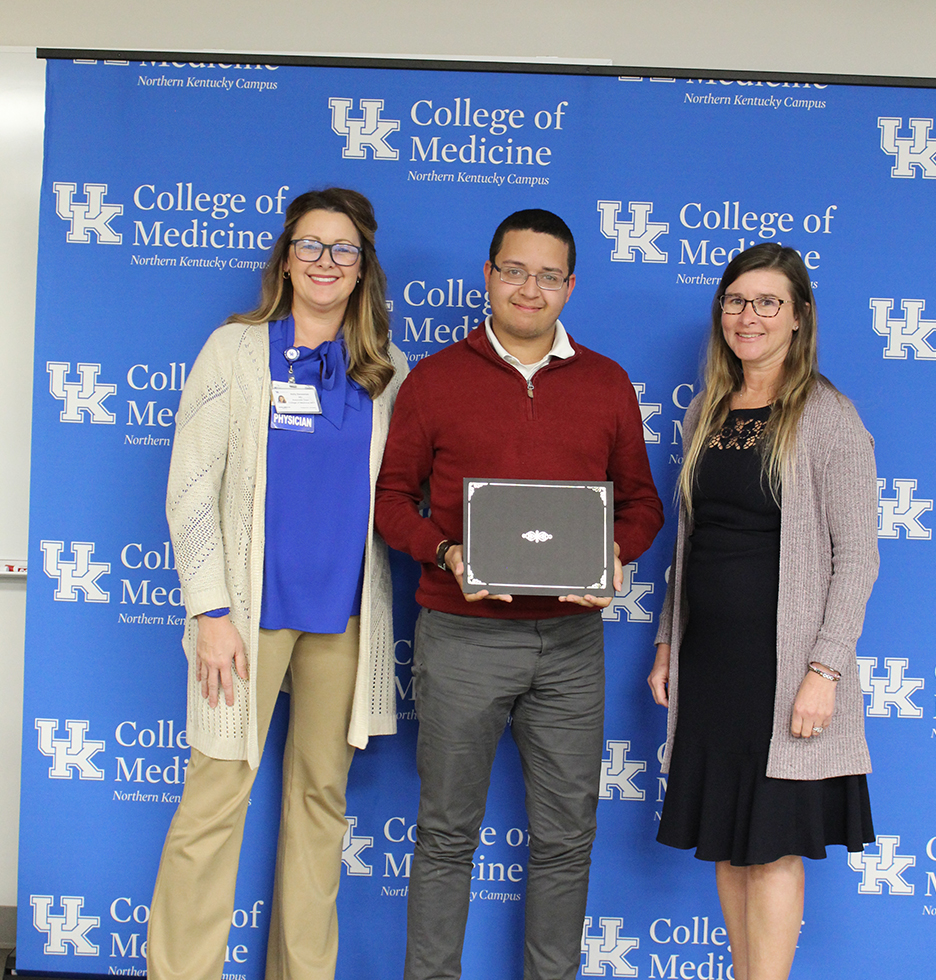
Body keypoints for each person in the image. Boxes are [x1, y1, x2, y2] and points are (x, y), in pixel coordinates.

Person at [375, 208, 664, 980]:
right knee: (445, 834)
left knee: (567, 838)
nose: (528, 288)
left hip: (570, 648)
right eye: (514, 270)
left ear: (570, 286)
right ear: (488, 276)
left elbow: (643, 505)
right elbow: (391, 501)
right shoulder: (435, 379)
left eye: (547, 275)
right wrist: (445, 551)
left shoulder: (605, 382)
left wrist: (612, 557)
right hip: (461, 638)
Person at [146, 188, 408, 980]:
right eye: (311, 246)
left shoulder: (391, 373)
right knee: (215, 800)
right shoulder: (234, 350)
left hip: (344, 621)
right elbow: (190, 486)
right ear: (286, 259)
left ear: (363, 270)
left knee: (320, 805)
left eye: (343, 251)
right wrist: (211, 610)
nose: (325, 263)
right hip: (245, 619)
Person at [648, 243, 878, 980]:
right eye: (736, 301)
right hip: (712, 664)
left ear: (800, 319)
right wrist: (665, 645)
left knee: (773, 845)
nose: (748, 316)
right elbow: (689, 545)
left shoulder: (828, 415)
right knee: (729, 839)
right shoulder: (706, 410)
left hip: (786, 671)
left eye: (767, 302)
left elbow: (858, 556)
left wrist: (825, 668)